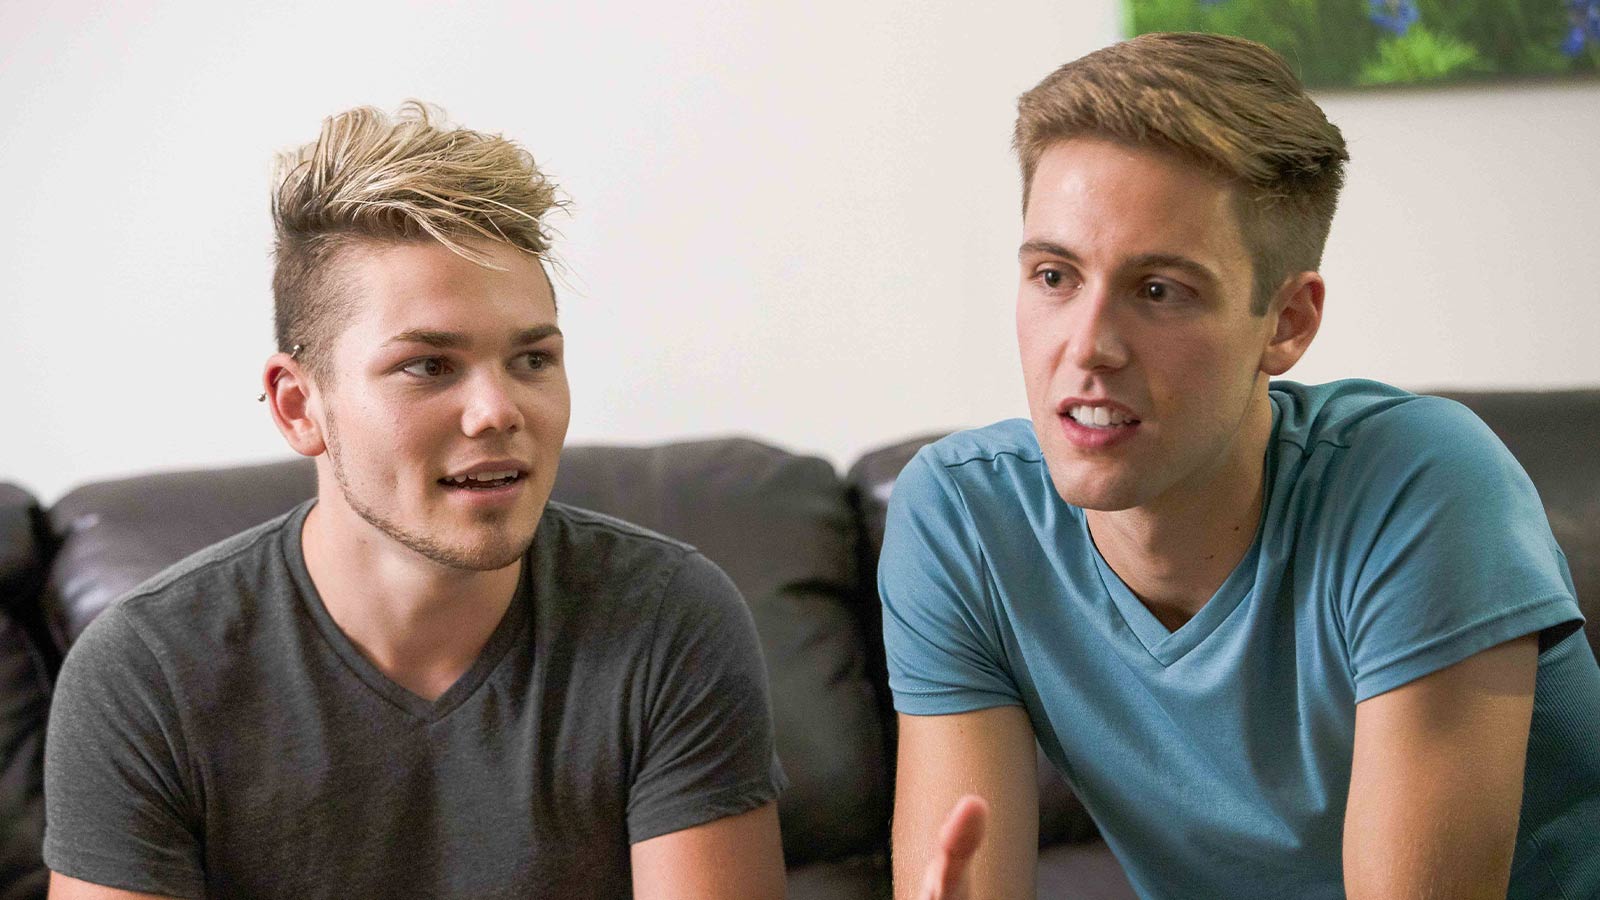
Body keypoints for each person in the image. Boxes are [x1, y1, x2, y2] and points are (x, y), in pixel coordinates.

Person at [882, 32, 1600, 900]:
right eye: (1053, 275)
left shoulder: (1424, 487)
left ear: (1287, 322)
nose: (1088, 347)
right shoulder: (960, 520)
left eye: (1159, 291)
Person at [43, 102, 787, 899]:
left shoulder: (667, 616)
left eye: (533, 358)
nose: (498, 411)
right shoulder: (146, 672)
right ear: (299, 406)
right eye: (429, 366)